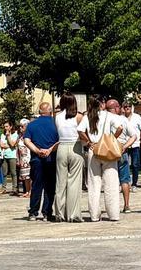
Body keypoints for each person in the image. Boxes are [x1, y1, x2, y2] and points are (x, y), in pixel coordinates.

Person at [78, 97, 122, 221]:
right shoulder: (109, 116)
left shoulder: (88, 116)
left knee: (93, 184)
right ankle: (113, 214)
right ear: (102, 104)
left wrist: (88, 143)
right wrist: (112, 139)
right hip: (107, 149)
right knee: (111, 183)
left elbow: (80, 130)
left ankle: (94, 215)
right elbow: (120, 128)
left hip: (94, 149)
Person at [22, 102, 58, 220]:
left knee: (37, 185)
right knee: (50, 186)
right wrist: (49, 150)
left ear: (39, 111)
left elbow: (27, 141)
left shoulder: (32, 125)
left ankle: (33, 212)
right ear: (50, 111)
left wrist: (38, 151)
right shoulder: (56, 123)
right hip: (51, 158)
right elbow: (60, 140)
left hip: (36, 159)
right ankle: (47, 212)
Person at [53, 93, 85, 222]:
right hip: (75, 147)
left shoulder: (57, 117)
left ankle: (59, 213)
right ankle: (73, 214)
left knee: (60, 182)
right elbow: (82, 133)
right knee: (74, 182)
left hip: (61, 147)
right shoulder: (79, 117)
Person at [106, 100, 134, 213]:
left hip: (108, 150)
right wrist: (125, 146)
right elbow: (134, 136)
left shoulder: (105, 119)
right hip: (121, 149)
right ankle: (126, 205)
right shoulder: (123, 120)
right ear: (117, 108)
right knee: (125, 179)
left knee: (110, 179)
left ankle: (112, 206)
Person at [121, 103, 141, 189]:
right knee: (125, 164)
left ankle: (134, 183)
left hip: (135, 144)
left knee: (135, 164)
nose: (127, 108)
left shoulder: (137, 117)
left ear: (131, 108)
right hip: (125, 144)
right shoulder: (121, 118)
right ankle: (126, 182)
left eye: (129, 106)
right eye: (125, 107)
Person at [0, 121, 18, 195]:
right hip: (4, 155)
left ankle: (15, 188)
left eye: (6, 126)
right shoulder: (2, 135)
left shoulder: (15, 134)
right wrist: (9, 145)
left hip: (12, 155)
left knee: (13, 172)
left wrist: (8, 136)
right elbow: (1, 145)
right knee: (4, 173)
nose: (5, 128)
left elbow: (13, 144)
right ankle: (4, 188)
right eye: (4, 126)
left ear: (10, 127)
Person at [15, 119, 32, 198]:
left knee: (29, 176)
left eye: (22, 127)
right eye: (20, 127)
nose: (20, 128)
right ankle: (27, 191)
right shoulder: (20, 137)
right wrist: (17, 159)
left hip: (28, 157)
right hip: (22, 158)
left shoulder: (30, 136)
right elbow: (17, 148)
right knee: (24, 176)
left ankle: (31, 191)